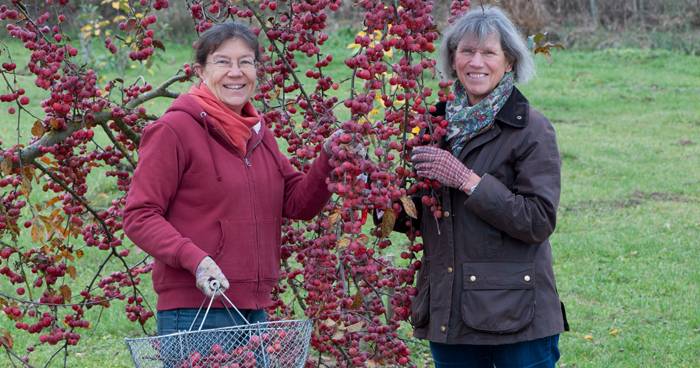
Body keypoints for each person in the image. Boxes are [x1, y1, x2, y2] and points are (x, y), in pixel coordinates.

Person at [123, 21, 352, 336]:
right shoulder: (173, 130)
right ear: (201, 71)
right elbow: (140, 215)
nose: (236, 72)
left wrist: (329, 157)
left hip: (253, 311)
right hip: (196, 313)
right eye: (223, 62)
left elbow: (297, 203)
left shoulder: (257, 133)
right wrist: (195, 260)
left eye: (245, 62)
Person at [406, 6, 568, 368]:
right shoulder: (433, 125)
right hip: (451, 312)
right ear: (452, 59)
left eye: (489, 52)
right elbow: (417, 218)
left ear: (508, 61)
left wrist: (467, 181)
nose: (476, 62)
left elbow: (538, 220)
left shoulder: (530, 129)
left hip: (517, 315)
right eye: (466, 51)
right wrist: (376, 189)